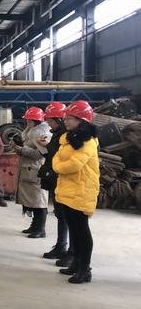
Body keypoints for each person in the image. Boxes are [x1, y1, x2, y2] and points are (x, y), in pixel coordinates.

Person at [53, 100, 99, 284]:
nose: (65, 121)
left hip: (82, 190)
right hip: (69, 189)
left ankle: (84, 269)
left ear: (82, 120)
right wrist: (58, 164)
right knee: (73, 229)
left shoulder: (87, 141)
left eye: (70, 118)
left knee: (82, 230)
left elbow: (74, 164)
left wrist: (57, 167)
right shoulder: (69, 138)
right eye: (65, 118)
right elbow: (57, 157)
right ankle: (76, 263)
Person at [37, 102, 70, 262]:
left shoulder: (68, 137)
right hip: (55, 178)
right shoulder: (58, 134)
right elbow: (54, 154)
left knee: (67, 217)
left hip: (64, 180)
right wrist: (46, 146)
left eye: (51, 120)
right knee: (60, 215)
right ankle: (61, 246)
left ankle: (68, 250)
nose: (48, 123)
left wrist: (48, 148)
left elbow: (63, 159)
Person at [12, 107, 51, 239]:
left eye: (30, 121)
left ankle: (40, 229)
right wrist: (18, 147)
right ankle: (34, 226)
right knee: (33, 201)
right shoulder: (30, 131)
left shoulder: (42, 133)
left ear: (37, 121)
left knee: (39, 201)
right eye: (27, 121)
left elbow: (40, 154)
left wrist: (22, 149)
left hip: (36, 170)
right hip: (28, 169)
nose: (28, 123)